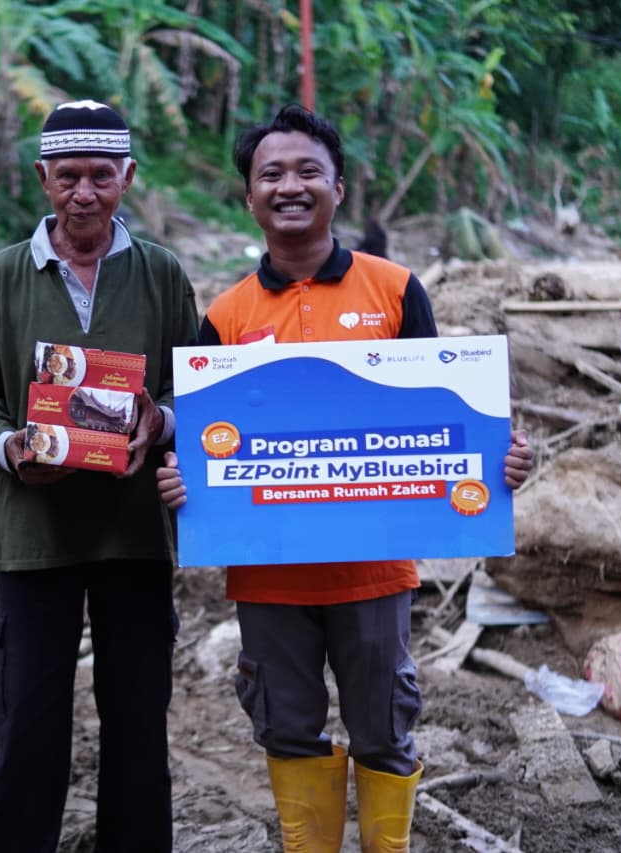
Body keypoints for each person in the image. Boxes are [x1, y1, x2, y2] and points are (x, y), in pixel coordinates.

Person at [155, 104, 535, 853]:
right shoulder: (224, 318)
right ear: (249, 196)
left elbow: (443, 427)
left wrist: (501, 464)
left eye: (307, 171)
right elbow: (206, 451)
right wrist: (182, 483)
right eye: (271, 174)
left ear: (338, 185)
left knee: (384, 733)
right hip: (268, 581)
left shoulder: (395, 291)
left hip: (374, 573)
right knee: (288, 730)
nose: (289, 185)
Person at [0, 99, 199, 853]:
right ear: (42, 179)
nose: (83, 192)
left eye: (99, 175)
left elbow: (198, 388)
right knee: (26, 722)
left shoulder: (160, 273)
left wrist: (161, 425)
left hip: (134, 536)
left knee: (137, 723)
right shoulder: (4, 276)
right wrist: (10, 446)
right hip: (35, 535)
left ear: (127, 176)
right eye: (67, 177)